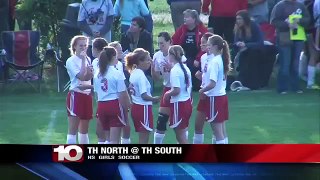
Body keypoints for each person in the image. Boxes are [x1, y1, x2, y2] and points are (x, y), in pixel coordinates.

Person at [270, 0, 311, 94]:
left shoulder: (300, 5)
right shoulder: (280, 5)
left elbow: (308, 19)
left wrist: (299, 21)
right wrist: (287, 24)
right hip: (284, 37)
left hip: (298, 37)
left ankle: (295, 87)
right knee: (285, 63)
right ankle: (282, 87)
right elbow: (273, 21)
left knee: (296, 63)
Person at [93, 46, 131, 144]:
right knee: (114, 140)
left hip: (101, 105)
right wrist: (128, 107)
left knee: (107, 139)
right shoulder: (116, 73)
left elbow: (96, 94)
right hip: (114, 105)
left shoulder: (97, 74)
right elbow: (122, 94)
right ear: (113, 56)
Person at [198, 35, 231, 144]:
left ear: (215, 46)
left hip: (214, 98)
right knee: (221, 129)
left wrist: (202, 90)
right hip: (221, 96)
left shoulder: (214, 62)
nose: (207, 47)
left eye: (209, 45)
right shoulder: (219, 59)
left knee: (217, 131)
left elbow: (212, 83)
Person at [126, 48, 160, 144]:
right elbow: (144, 95)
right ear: (140, 61)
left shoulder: (133, 73)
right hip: (143, 108)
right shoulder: (140, 75)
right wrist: (154, 99)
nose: (150, 62)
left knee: (142, 137)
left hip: (136, 107)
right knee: (144, 139)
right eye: (148, 60)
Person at [65, 35, 93, 144]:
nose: (83, 47)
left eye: (85, 45)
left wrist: (90, 73)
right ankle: (69, 157)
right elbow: (81, 76)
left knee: (84, 129)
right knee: (73, 129)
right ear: (74, 46)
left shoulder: (88, 59)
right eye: (81, 45)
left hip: (86, 95)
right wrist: (82, 61)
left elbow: (87, 78)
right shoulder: (71, 60)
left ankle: (84, 156)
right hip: (75, 95)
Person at [172, 9, 208, 91]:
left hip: (198, 56)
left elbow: (206, 46)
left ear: (194, 19)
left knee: (194, 65)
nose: (184, 19)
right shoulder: (182, 29)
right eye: (184, 17)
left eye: (187, 17)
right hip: (185, 55)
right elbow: (174, 41)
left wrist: (198, 58)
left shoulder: (201, 29)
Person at [163, 45, 193, 144]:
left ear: (172, 56)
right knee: (182, 132)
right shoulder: (185, 68)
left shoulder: (175, 70)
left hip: (179, 104)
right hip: (186, 101)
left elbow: (176, 90)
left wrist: (167, 94)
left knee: (180, 135)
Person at [193, 32, 214, 144]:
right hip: (204, 94)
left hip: (213, 96)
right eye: (200, 43)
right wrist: (200, 77)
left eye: (204, 43)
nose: (201, 45)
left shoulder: (216, 58)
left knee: (216, 128)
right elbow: (206, 78)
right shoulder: (203, 57)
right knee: (198, 125)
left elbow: (217, 80)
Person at [151, 32, 173, 144]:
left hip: (180, 91)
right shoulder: (157, 55)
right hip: (167, 88)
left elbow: (185, 74)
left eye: (162, 44)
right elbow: (157, 78)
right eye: (158, 43)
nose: (160, 46)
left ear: (170, 42)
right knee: (161, 121)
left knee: (180, 126)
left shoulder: (176, 53)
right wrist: (152, 69)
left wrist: (172, 68)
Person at [109, 41, 131, 144]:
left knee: (126, 123)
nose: (122, 51)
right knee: (114, 128)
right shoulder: (106, 66)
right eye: (119, 49)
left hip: (120, 97)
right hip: (113, 100)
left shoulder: (119, 64)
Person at [91, 37, 109, 144]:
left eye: (92, 47)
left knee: (107, 129)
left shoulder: (110, 63)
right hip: (100, 98)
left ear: (97, 49)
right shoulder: (94, 62)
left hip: (109, 98)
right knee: (99, 130)